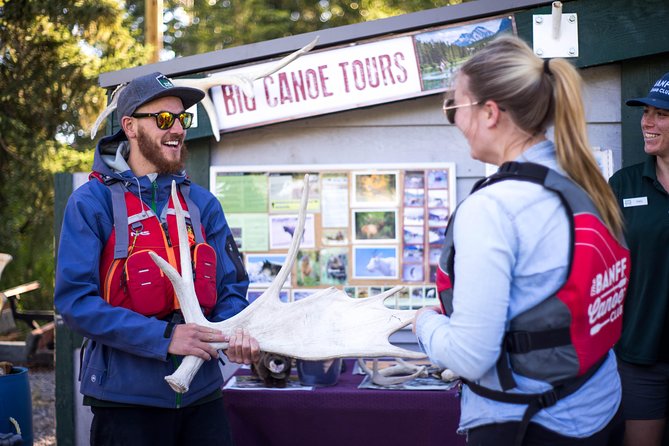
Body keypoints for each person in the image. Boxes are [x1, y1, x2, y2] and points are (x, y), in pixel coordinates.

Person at [413, 35, 628, 445]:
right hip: (600, 404)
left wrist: (424, 323)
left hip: (531, 425)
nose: (455, 121)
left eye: (453, 107)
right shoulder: (584, 181)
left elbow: (469, 356)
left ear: (490, 112)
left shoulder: (493, 208)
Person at [54, 71, 260, 445]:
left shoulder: (202, 204)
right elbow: (75, 303)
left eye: (183, 118)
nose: (178, 129)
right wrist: (165, 337)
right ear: (131, 127)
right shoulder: (90, 203)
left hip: (202, 396)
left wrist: (232, 332)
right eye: (164, 119)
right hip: (126, 404)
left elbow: (233, 288)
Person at [608, 71, 669, 446]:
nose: (647, 121)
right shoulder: (623, 185)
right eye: (646, 111)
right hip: (641, 354)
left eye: (661, 113)